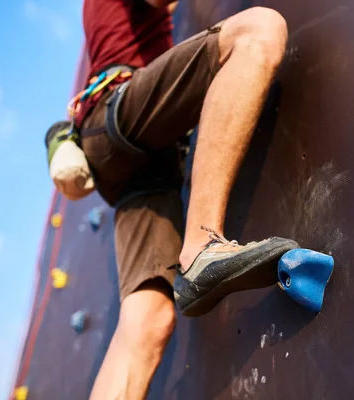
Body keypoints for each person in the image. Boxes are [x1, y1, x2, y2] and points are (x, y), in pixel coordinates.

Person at [46, 0, 300, 398]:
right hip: (120, 111)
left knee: (148, 321)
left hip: (134, 155)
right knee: (258, 30)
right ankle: (202, 246)